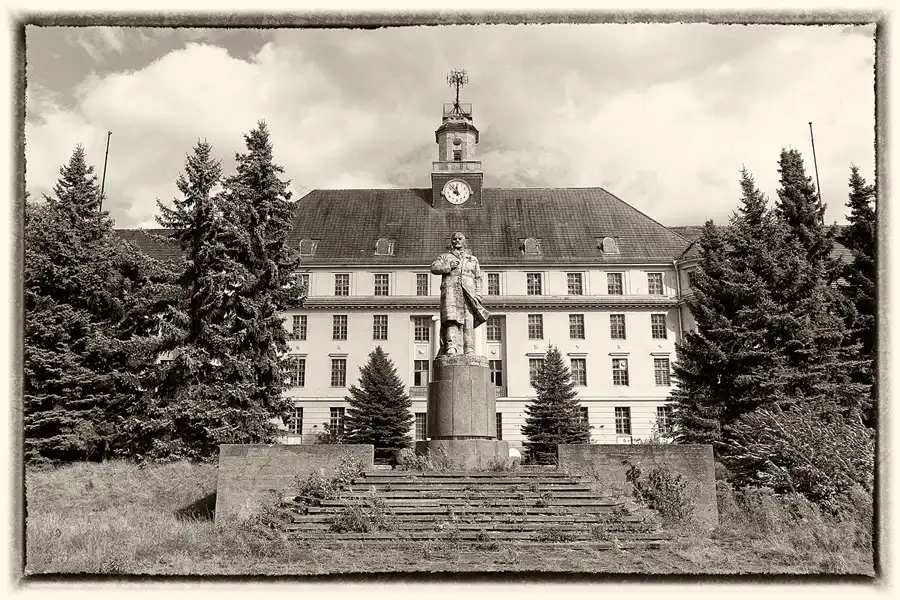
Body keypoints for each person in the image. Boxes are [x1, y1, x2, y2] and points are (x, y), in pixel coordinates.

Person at [430, 232, 489, 356]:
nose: (457, 240)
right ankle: (451, 346)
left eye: (459, 238)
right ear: (451, 241)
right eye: (454, 239)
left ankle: (469, 348)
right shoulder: (445, 256)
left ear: (464, 241)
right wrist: (448, 266)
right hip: (451, 292)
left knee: (468, 321)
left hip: (469, 293)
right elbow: (434, 268)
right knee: (451, 320)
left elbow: (478, 277)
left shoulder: (472, 259)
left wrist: (478, 294)